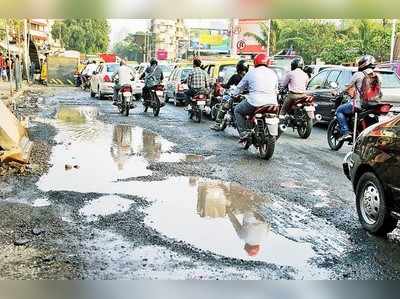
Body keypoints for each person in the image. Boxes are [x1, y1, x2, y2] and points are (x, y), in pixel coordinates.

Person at [336, 54, 382, 141]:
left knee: (339, 110)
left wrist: (338, 92)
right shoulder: (378, 76)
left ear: (363, 64)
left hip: (360, 104)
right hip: (375, 104)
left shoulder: (358, 74)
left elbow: (348, 87)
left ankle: (346, 132)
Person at [233, 53, 279, 139]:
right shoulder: (273, 73)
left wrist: (234, 94)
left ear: (255, 62)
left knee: (237, 110)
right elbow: (276, 90)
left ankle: (243, 132)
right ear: (267, 62)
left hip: (255, 102)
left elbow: (239, 87)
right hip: (272, 103)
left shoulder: (251, 72)